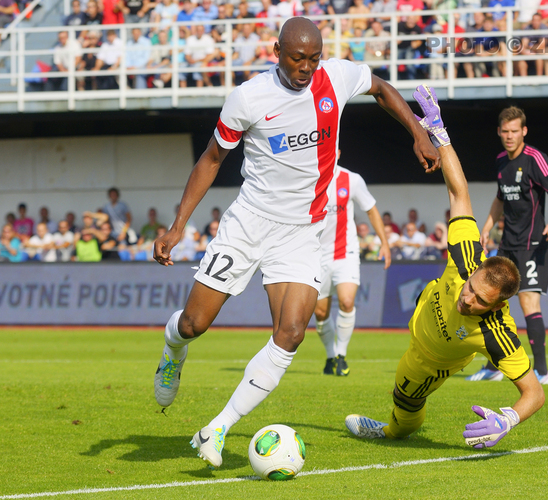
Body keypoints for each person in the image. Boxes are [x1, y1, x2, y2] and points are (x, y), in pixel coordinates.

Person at [150, 17, 439, 469]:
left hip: (303, 230)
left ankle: (217, 428)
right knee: (194, 324)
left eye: (314, 58)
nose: (306, 68)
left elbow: (381, 88)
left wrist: (418, 132)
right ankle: (172, 350)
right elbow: (211, 159)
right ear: (277, 50)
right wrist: (177, 225)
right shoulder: (248, 97)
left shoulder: (336, 77)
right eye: (297, 58)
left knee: (291, 332)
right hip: (249, 223)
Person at [345, 86, 545, 446]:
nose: (467, 299)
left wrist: (509, 418)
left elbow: (535, 392)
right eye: (471, 288)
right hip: (425, 310)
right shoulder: (469, 259)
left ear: (498, 306)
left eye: (479, 301)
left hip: (430, 359)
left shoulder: (496, 333)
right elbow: (459, 192)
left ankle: (391, 429)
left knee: (403, 405)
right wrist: (439, 133)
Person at [470, 106, 548, 385]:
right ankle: (493, 366)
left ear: (524, 131)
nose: (510, 136)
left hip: (532, 244)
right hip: (507, 245)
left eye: (515, 131)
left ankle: (542, 372)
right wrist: (487, 227)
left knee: (528, 303)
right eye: (505, 131)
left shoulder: (536, 158)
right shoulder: (502, 160)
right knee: (490, 301)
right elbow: (500, 198)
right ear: (499, 132)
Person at [314, 160, 391, 376]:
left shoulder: (352, 179)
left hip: (345, 252)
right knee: (320, 313)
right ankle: (330, 356)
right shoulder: (307, 176)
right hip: (315, 256)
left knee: (347, 301)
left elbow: (371, 210)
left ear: (337, 152)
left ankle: (340, 355)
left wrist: (384, 243)